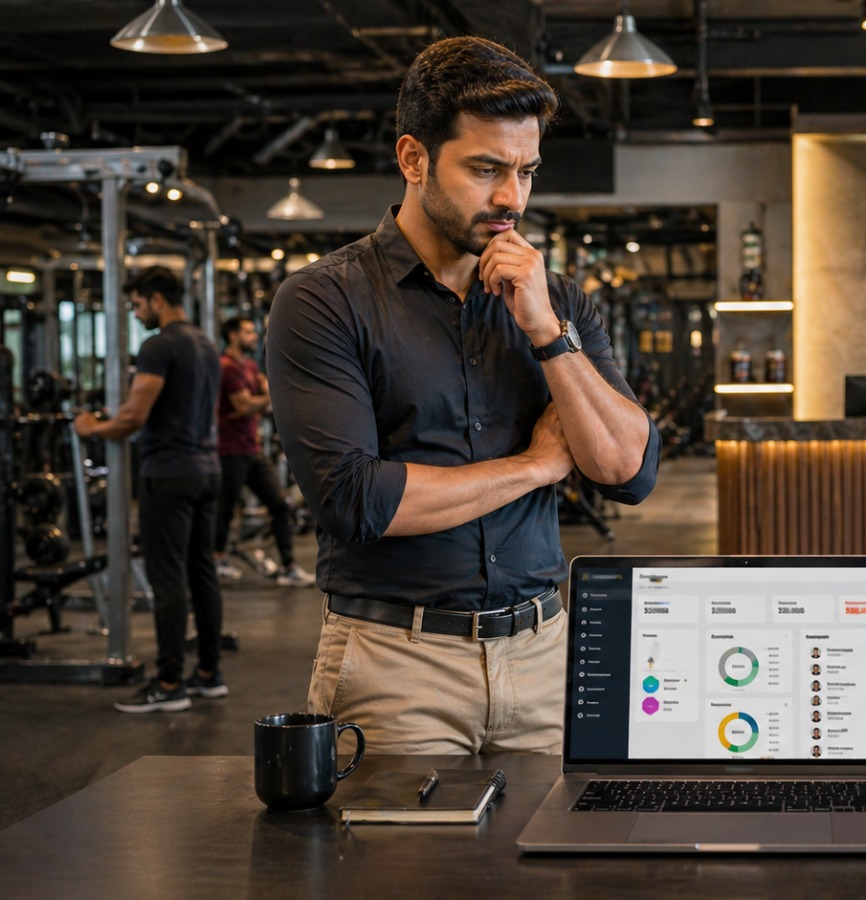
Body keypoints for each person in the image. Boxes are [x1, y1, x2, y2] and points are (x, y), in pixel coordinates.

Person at [266, 36, 659, 755]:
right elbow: (356, 500)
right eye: (485, 169)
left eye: (525, 172)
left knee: (559, 865)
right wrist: (535, 468)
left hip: (545, 655)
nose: (511, 198)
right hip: (396, 665)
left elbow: (628, 472)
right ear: (414, 158)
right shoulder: (324, 301)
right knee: (406, 868)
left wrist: (546, 331)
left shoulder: (558, 301)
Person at [75, 266, 224, 713]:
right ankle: (208, 674)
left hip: (170, 473)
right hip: (206, 469)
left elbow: (133, 418)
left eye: (137, 304)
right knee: (202, 574)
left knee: (168, 577)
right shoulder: (205, 343)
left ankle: (169, 682)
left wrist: (93, 426)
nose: (136, 313)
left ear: (157, 299)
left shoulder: (158, 345)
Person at [212, 316, 315, 588]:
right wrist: (268, 396)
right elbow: (246, 406)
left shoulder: (248, 365)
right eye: (247, 332)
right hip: (229, 450)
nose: (254, 336)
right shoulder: (227, 367)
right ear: (233, 336)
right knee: (225, 509)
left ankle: (288, 567)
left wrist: (262, 398)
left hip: (250, 448)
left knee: (280, 504)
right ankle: (218, 559)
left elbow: (260, 400)